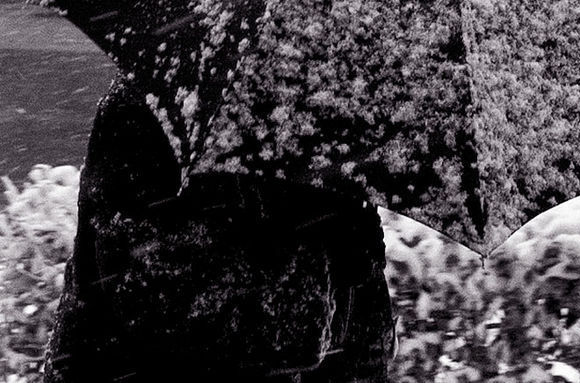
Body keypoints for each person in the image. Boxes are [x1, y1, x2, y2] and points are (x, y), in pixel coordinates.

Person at [44, 75, 394, 383]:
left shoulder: (331, 111)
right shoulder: (159, 102)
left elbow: (362, 329)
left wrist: (351, 255)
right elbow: (147, 291)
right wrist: (304, 256)